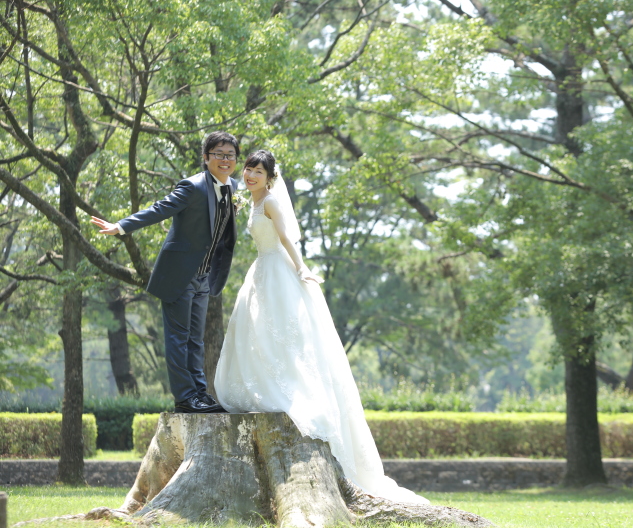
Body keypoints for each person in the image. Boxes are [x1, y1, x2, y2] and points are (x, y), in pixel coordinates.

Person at [214, 150, 428, 504]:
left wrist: (302, 269)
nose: (250, 175)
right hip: (261, 271)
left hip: (278, 270)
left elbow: (286, 238)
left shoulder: (270, 202)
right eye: (249, 169)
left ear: (270, 178)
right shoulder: (250, 202)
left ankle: (291, 396)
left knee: (283, 334)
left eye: (258, 171)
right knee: (258, 335)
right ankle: (266, 388)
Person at [91, 131, 239, 414]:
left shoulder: (232, 187)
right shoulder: (193, 186)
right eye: (218, 154)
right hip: (179, 274)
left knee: (196, 340)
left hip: (204, 277)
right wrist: (121, 226)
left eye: (230, 155)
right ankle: (185, 397)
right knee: (178, 338)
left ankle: (200, 393)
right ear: (206, 157)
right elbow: (160, 208)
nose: (225, 160)